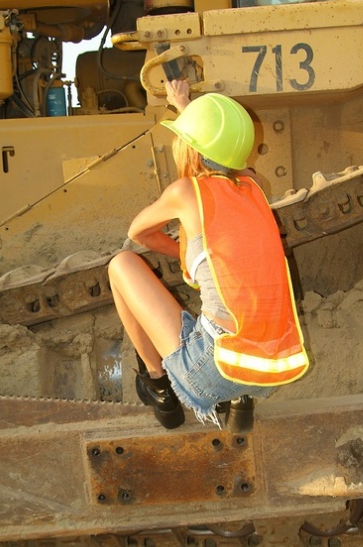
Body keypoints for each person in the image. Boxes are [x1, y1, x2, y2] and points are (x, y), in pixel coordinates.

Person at [108, 80, 309, 432]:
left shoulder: (185, 192)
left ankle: (159, 386)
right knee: (236, 289)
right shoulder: (254, 187)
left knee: (120, 265)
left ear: (190, 148)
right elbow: (219, 154)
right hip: (271, 370)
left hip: (211, 370)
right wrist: (184, 106)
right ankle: (241, 401)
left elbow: (137, 233)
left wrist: (182, 254)